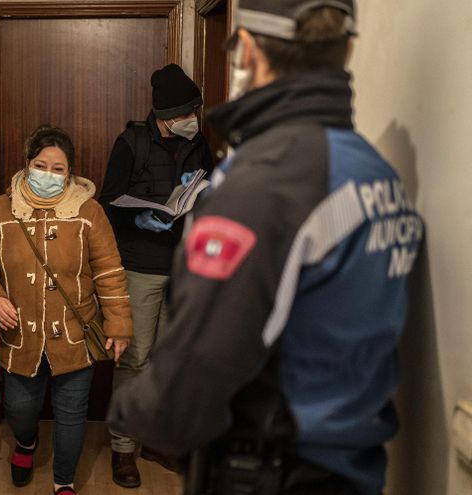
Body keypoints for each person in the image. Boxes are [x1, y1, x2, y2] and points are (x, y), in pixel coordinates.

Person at [108, 1, 424, 494]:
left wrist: (134, 410)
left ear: (249, 50)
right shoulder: (375, 172)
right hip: (354, 464)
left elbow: (194, 382)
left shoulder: (266, 182)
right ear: (348, 50)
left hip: (274, 468)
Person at [0, 125, 132, 495]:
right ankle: (26, 443)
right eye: (42, 165)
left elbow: (109, 271)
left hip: (75, 333)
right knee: (19, 409)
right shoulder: (0, 210)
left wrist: (119, 324)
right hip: (20, 334)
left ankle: (64, 480)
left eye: (59, 169)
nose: (49, 174)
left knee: (72, 414)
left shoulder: (89, 212)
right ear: (27, 165)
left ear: (70, 172)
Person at [98, 63, 213, 488]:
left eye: (195, 111)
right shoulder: (132, 143)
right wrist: (143, 218)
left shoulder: (198, 143)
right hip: (141, 268)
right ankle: (123, 448)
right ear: (164, 115)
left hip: (184, 267)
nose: (192, 120)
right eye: (185, 113)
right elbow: (109, 201)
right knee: (136, 358)